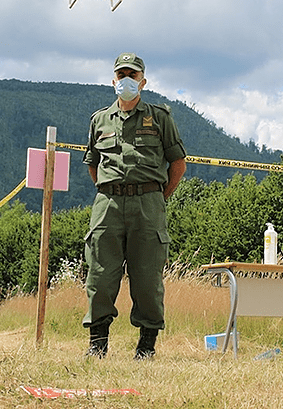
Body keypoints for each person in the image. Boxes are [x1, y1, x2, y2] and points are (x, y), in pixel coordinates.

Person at [82, 52, 187, 360]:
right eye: (122, 74)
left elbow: (178, 164)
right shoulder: (99, 120)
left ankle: (146, 346)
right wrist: (110, 190)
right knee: (100, 275)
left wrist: (157, 196)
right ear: (113, 80)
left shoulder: (160, 118)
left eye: (133, 74)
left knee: (147, 277)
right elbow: (92, 164)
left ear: (143, 80)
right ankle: (97, 344)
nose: (127, 79)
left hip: (148, 203)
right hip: (108, 204)